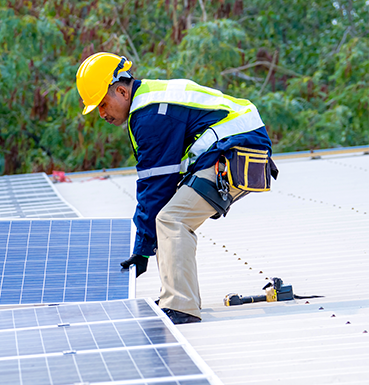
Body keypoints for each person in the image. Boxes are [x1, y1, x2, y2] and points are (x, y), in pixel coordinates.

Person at [75, 52, 274, 325]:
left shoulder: (150, 115)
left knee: (172, 219)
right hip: (234, 147)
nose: (101, 113)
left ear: (121, 91)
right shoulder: (149, 102)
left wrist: (143, 248)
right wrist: (145, 246)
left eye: (102, 103)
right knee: (169, 217)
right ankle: (176, 298)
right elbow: (160, 188)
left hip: (235, 150)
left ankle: (181, 306)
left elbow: (155, 186)